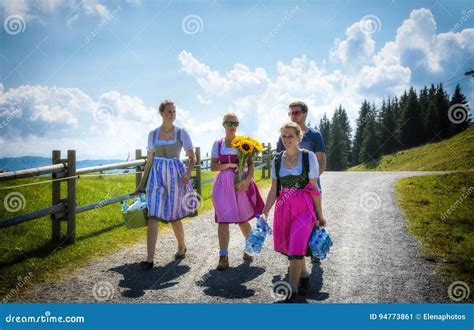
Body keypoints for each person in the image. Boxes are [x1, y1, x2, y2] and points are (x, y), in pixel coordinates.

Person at [263, 122, 326, 302]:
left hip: (305, 206)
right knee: (293, 247)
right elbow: (274, 189)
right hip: (284, 206)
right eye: (283, 136)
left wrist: (319, 215)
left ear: (299, 137)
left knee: (297, 245)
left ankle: (291, 290)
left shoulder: (309, 157)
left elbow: (314, 188)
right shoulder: (277, 160)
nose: (286, 139)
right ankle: (304, 276)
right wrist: (265, 212)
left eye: (290, 136)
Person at [135, 100, 197, 270]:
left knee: (174, 216)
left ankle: (181, 246)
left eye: (174, 111)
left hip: (175, 176)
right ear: (161, 113)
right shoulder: (153, 134)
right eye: (169, 111)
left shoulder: (181, 133)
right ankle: (149, 258)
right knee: (153, 214)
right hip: (156, 176)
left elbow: (192, 158)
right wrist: (141, 184)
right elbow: (149, 162)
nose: (172, 114)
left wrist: (187, 173)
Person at [211, 112, 265, 270]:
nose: (232, 126)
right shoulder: (218, 143)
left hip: (241, 183)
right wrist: (228, 166)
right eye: (229, 123)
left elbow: (251, 164)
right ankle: (223, 257)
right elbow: (214, 166)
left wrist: (248, 179)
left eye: (235, 123)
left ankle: (249, 248)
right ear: (223, 125)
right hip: (223, 185)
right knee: (223, 220)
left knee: (242, 219)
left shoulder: (243, 143)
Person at [277, 101, 326, 264]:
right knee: (294, 224)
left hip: (310, 186)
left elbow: (321, 160)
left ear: (305, 114)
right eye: (290, 113)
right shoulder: (284, 135)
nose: (293, 115)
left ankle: (316, 249)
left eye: (296, 113)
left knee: (314, 219)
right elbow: (280, 161)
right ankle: (297, 260)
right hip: (290, 190)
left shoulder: (315, 135)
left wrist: (307, 180)